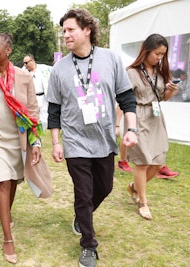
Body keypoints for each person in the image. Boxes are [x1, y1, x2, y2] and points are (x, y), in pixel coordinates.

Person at [47, 9, 138, 267]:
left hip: (104, 139)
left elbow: (127, 98)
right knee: (83, 194)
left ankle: (82, 216)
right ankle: (88, 245)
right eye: (63, 30)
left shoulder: (110, 59)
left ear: (87, 29)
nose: (65, 34)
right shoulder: (59, 69)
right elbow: (54, 111)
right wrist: (56, 143)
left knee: (105, 187)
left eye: (70, 29)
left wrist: (130, 129)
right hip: (75, 142)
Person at [0, 32, 53, 265]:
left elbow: (33, 112)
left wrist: (36, 142)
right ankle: (7, 239)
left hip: (18, 141)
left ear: (8, 50)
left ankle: (7, 214)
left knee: (13, 180)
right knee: (2, 182)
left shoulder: (24, 77)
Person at [125, 33, 179, 221]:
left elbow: (162, 97)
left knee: (158, 162)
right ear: (147, 51)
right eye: (157, 53)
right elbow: (124, 99)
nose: (160, 57)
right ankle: (143, 202)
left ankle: (134, 187)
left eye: (163, 54)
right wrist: (121, 123)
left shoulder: (160, 72)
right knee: (142, 161)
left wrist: (170, 92)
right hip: (138, 116)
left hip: (156, 117)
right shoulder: (131, 72)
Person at [22, 54, 52, 129]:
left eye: (26, 63)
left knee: (44, 117)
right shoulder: (23, 71)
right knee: (32, 116)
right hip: (31, 97)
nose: (25, 65)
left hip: (43, 97)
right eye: (24, 63)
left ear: (32, 61)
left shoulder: (44, 68)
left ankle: (42, 130)